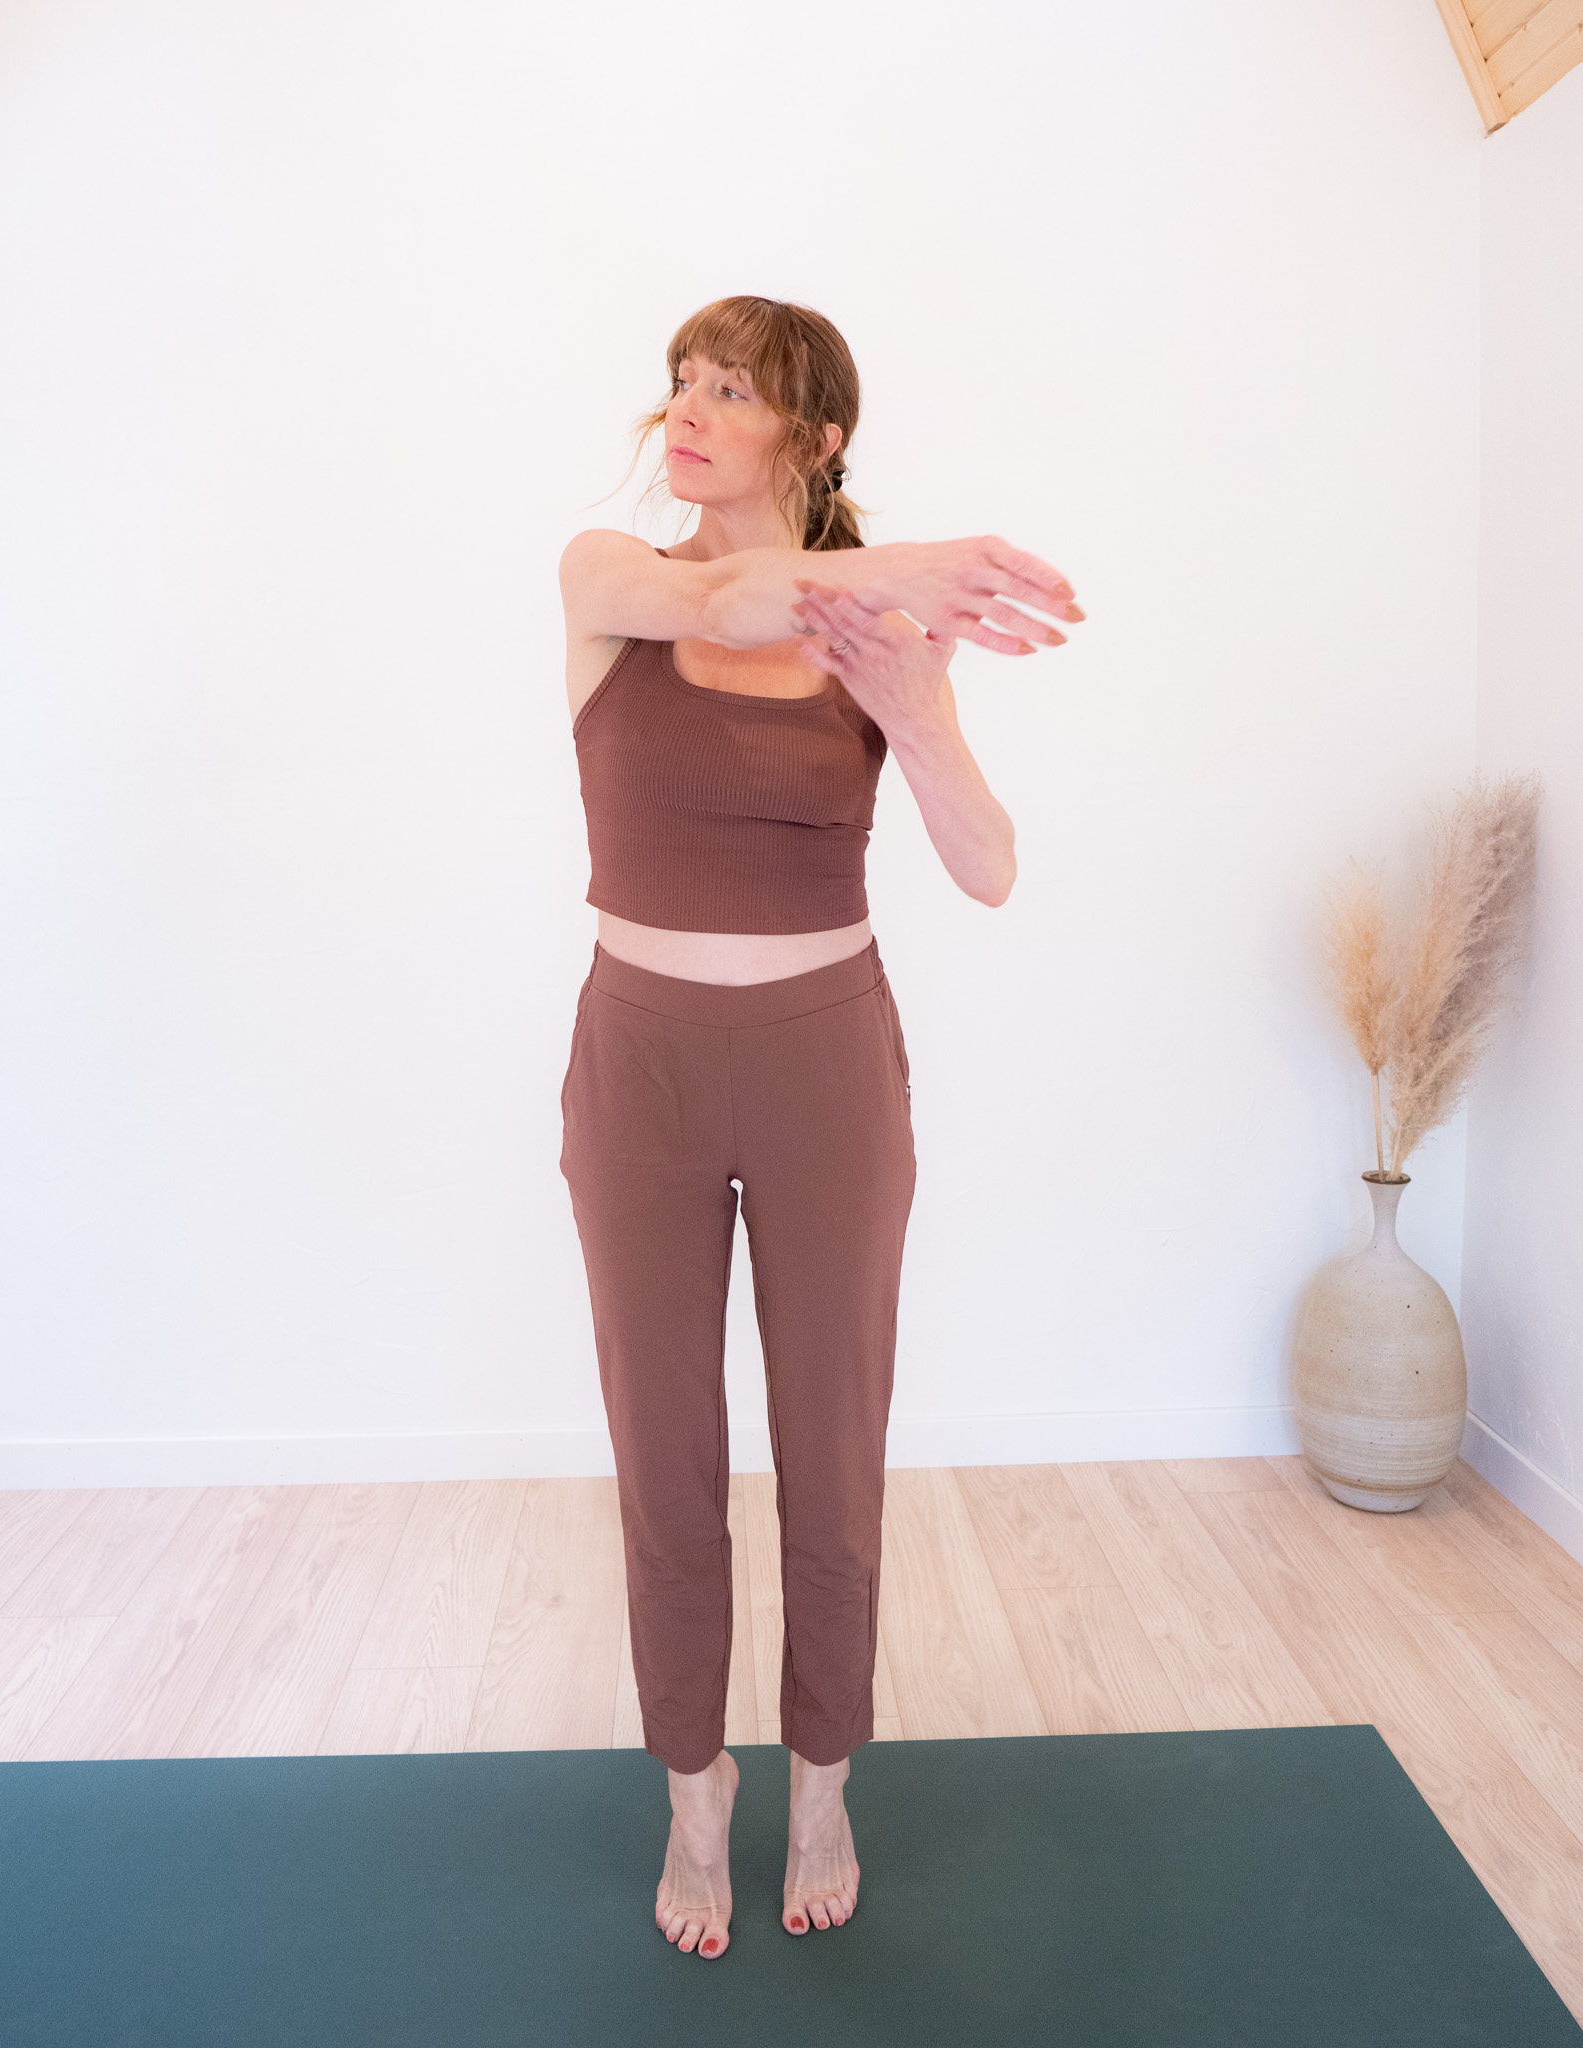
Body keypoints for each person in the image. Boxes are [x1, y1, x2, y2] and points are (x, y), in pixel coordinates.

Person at [556, 296, 1083, 1961]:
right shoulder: (607, 577)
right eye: (681, 381)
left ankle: (826, 1781)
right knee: (662, 1455)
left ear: (817, 433)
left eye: (733, 389)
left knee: (832, 1451)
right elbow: (722, 594)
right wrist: (902, 563)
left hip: (824, 1060)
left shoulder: (879, 632)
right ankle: (693, 1790)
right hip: (638, 1060)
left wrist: (916, 705)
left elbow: (987, 868)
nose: (688, 409)